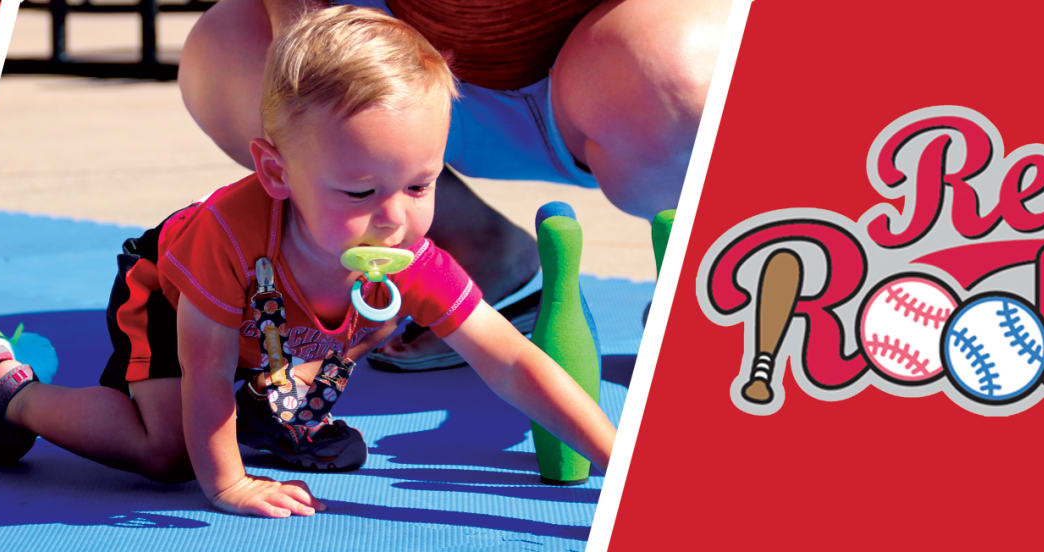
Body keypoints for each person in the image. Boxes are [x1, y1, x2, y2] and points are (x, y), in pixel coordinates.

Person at [0, 7, 616, 518]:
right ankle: (10, 394)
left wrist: (618, 458)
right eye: (360, 192)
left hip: (265, 334)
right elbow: (208, 368)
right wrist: (228, 483)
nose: (393, 217)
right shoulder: (229, 238)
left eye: (420, 184)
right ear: (277, 171)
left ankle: (266, 415)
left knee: (346, 342)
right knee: (167, 454)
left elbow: (514, 361)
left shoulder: (408, 255)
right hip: (166, 294)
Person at [180, 0, 727, 370]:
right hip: (408, 81)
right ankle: (487, 264)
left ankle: (724, 276)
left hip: (609, 71)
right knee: (227, 48)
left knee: (678, 78)